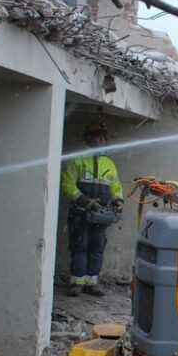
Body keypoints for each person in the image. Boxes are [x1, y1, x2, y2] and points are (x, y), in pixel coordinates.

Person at [61, 122, 124, 297]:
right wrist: (85, 201)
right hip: (80, 214)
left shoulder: (109, 164)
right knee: (79, 246)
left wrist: (118, 200)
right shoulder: (78, 160)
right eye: (96, 137)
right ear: (88, 139)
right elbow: (67, 184)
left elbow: (116, 186)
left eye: (102, 137)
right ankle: (77, 282)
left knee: (97, 247)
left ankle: (92, 283)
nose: (99, 140)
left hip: (101, 215)